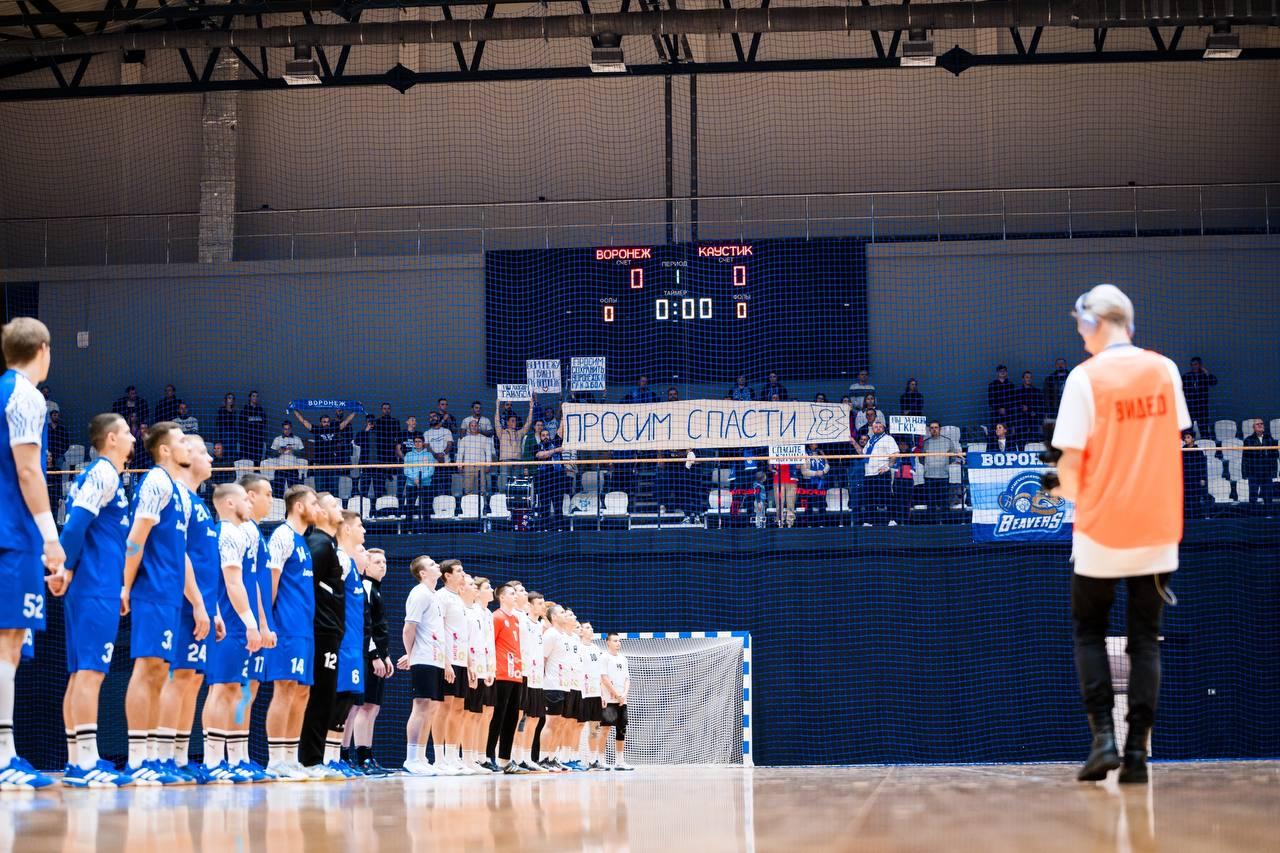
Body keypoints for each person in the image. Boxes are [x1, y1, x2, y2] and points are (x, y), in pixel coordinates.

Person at [1046, 283, 1191, 785]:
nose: (1080, 333)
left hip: (1102, 529)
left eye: (1081, 323)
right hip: (1157, 526)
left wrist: (1053, 487)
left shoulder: (1085, 379)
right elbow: (1165, 444)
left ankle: (1102, 740)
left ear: (1097, 321)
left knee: (1088, 632)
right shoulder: (1166, 370)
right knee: (1145, 641)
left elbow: (1069, 468)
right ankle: (1136, 755)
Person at [58, 413, 136, 788]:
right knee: (89, 673)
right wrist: (65, 567)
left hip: (96, 586)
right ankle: (85, 762)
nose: (133, 437)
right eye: (126, 432)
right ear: (110, 439)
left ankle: (79, 758)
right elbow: (74, 524)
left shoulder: (107, 476)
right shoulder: (103, 473)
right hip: (93, 586)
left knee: (80, 674)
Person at [119, 421, 199, 786]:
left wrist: (195, 601)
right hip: (151, 590)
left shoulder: (176, 492)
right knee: (147, 670)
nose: (188, 446)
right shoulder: (154, 480)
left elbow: (180, 554)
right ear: (165, 450)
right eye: (182, 440)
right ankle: (138, 759)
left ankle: (153, 756)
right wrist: (124, 584)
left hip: (169, 594)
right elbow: (136, 536)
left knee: (159, 673)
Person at [154, 435, 220, 782]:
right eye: (203, 452)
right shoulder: (176, 495)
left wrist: (214, 609)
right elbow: (178, 555)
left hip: (202, 605)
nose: (210, 457)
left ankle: (179, 758)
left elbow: (204, 562)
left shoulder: (198, 503)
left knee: (192, 680)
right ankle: (161, 756)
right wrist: (196, 602)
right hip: (182, 603)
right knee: (178, 678)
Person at [201, 483, 265, 783]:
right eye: (244, 499)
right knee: (221, 687)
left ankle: (237, 757)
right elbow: (231, 583)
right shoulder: (225, 532)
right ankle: (212, 761)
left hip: (239, 619)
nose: (250, 504)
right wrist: (251, 623)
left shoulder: (241, 533)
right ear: (228, 503)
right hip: (228, 620)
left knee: (239, 689)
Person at [263, 484, 320, 781]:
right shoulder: (283, 536)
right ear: (299, 506)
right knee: (284, 689)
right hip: (285, 627)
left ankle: (290, 756)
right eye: (313, 502)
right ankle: (275, 760)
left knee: (301, 692)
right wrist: (267, 623)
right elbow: (270, 583)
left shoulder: (301, 541)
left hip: (304, 630)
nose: (317, 508)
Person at [299, 493, 346, 777]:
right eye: (334, 504)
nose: (340, 508)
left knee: (326, 696)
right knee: (319, 696)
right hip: (319, 631)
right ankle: (310, 760)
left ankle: (312, 759)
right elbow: (304, 585)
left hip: (329, 632)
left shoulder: (329, 544)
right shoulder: (318, 543)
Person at [325, 510, 367, 777]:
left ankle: (334, 757)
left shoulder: (350, 563)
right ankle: (327, 757)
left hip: (352, 643)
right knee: (337, 699)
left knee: (347, 701)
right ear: (348, 530)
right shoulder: (340, 559)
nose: (364, 529)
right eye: (360, 525)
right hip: (340, 643)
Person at [398, 555, 446, 776]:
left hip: (435, 658)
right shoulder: (418, 593)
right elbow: (409, 628)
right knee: (420, 707)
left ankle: (421, 756)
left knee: (431, 709)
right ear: (423, 573)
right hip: (424, 658)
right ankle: (411, 758)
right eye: (432, 564)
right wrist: (411, 655)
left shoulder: (434, 595)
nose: (437, 566)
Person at [347, 547, 393, 776]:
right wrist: (375, 655)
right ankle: (357, 756)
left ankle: (367, 755)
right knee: (361, 707)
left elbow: (379, 627)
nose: (382, 565)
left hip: (377, 656)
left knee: (372, 707)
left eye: (384, 562)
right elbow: (366, 625)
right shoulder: (364, 586)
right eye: (377, 561)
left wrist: (386, 655)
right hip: (364, 655)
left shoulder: (377, 589)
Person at [433, 559, 476, 775]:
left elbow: (465, 636)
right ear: (447, 575)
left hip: (461, 661)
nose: (463, 574)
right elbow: (437, 629)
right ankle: (439, 758)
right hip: (447, 660)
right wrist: (445, 661)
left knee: (458, 709)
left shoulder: (459, 599)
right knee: (444, 708)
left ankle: (452, 756)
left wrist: (469, 664)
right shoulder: (441, 597)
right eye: (459, 571)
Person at [485, 582, 524, 772]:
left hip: (516, 675)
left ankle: (504, 759)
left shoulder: (515, 619)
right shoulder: (497, 617)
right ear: (501, 597)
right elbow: (490, 645)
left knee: (512, 718)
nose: (515, 596)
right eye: (511, 593)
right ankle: (488, 756)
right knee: (498, 716)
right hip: (501, 674)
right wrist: (491, 669)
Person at [462, 575, 497, 772]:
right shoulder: (470, 611)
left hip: (486, 669)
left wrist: (491, 668)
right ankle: (468, 756)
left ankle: (480, 756)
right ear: (477, 591)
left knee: (486, 713)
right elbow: (469, 641)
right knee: (471, 714)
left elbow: (488, 644)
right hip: (473, 667)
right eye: (487, 586)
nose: (491, 589)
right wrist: (471, 666)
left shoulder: (488, 614)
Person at [293, 409, 357, 496]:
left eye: (327, 422)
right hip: (319, 464)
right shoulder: (317, 429)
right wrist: (294, 410)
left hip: (333, 464)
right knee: (319, 491)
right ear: (321, 423)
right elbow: (304, 422)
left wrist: (355, 411)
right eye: (324, 422)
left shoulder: (334, 428)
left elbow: (346, 421)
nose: (326, 423)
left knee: (333, 490)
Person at [597, 632, 632, 770]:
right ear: (608, 642)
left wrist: (623, 694)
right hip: (609, 699)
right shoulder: (604, 658)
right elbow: (604, 678)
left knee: (621, 729)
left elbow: (627, 679)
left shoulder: (623, 659)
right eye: (615, 641)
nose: (618, 643)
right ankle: (600, 760)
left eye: (619, 641)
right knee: (605, 729)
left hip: (622, 701)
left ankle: (620, 761)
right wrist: (616, 694)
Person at [918, 421, 961, 520]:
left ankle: (946, 523)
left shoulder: (948, 441)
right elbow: (921, 459)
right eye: (932, 428)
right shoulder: (926, 443)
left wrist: (943, 465)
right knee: (930, 502)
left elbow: (953, 457)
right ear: (929, 430)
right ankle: (931, 524)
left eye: (936, 427)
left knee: (944, 501)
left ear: (940, 429)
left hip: (943, 475)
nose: (934, 429)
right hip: (929, 476)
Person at [861, 420, 897, 527]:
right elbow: (863, 454)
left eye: (879, 426)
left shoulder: (888, 439)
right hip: (869, 474)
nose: (877, 428)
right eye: (875, 426)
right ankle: (869, 521)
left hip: (881, 473)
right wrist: (853, 442)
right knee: (869, 499)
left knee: (887, 497)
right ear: (872, 428)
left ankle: (892, 519)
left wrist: (888, 467)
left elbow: (895, 454)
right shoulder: (870, 440)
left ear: (884, 428)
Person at [495, 398, 534, 492]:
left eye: (515, 421)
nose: (514, 423)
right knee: (504, 485)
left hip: (517, 461)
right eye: (512, 421)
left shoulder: (519, 433)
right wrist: (497, 407)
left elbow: (528, 424)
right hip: (505, 461)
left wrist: (531, 408)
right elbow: (497, 422)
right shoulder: (502, 432)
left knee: (515, 484)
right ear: (507, 422)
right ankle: (502, 500)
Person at [1241, 419, 1278, 509]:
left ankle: (1268, 514)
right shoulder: (1248, 440)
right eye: (1257, 424)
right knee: (1253, 496)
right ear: (1253, 427)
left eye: (1262, 423)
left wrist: (1274, 471)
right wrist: (1245, 473)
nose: (1260, 425)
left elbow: (1275, 456)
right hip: (1254, 472)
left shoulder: (1270, 439)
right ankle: (1252, 516)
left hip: (1267, 472)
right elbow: (1245, 458)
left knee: (1268, 496)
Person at [402, 436, 435, 531]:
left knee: (426, 508)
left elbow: (431, 470)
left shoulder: (429, 455)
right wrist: (415, 479)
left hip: (425, 485)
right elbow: (406, 470)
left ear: (423, 443)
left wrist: (420, 479)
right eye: (415, 442)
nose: (417, 443)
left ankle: (427, 529)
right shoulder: (408, 455)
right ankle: (409, 530)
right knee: (409, 508)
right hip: (411, 485)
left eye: (419, 441)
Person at [1180, 357, 1217, 438]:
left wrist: (1207, 373)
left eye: (1196, 364)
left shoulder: (1204, 376)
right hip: (1191, 407)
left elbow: (1214, 382)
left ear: (1200, 365)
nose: (1194, 367)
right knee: (1188, 430)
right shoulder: (1187, 376)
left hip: (1202, 408)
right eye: (1192, 365)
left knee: (1203, 429)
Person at [457, 420, 495, 496]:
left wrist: (488, 465)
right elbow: (460, 453)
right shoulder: (464, 439)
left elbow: (488, 453)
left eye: (475, 425)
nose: (474, 427)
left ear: (478, 427)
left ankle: (483, 506)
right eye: (472, 426)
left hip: (481, 466)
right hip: (468, 467)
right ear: (469, 427)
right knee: (467, 489)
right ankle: (467, 506)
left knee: (482, 489)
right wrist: (459, 466)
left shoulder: (484, 439)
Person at [1180, 430, 1209, 519]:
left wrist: (1202, 478)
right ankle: (1187, 518)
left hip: (1196, 479)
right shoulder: (1182, 450)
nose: (1186, 439)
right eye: (1185, 437)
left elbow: (1202, 466)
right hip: (1185, 479)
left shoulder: (1198, 451)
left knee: (1196, 499)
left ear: (1193, 439)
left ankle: (1196, 518)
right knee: (1186, 499)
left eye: (1188, 437)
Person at [1014, 371, 1044, 444]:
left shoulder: (1037, 392)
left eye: (1030, 377)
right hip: (1021, 419)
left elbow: (1040, 405)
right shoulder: (1017, 392)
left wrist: (1033, 411)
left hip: (1034, 419)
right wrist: (1022, 408)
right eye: (1027, 377)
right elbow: (1015, 405)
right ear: (1023, 379)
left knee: (1034, 441)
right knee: (1021, 440)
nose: (1029, 379)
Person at [771, 453, 799, 528]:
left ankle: (790, 522)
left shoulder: (793, 451)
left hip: (791, 480)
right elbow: (770, 468)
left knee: (791, 502)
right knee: (779, 503)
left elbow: (799, 466)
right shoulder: (775, 452)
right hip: (778, 480)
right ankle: (780, 521)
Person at [240, 391, 268, 461]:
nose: (255, 398)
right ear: (250, 398)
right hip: (247, 440)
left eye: (257, 396)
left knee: (257, 458)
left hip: (258, 439)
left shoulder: (261, 410)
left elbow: (264, 423)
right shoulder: (244, 410)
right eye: (253, 396)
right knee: (248, 459)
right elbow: (241, 425)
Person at [215, 393, 238, 458]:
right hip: (224, 435)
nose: (231, 400)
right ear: (226, 400)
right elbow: (219, 424)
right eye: (229, 398)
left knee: (232, 452)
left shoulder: (234, 411)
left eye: (232, 398)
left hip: (232, 435)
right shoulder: (221, 410)